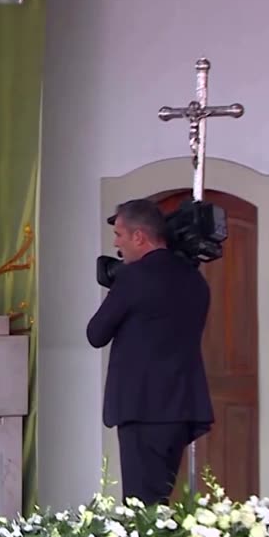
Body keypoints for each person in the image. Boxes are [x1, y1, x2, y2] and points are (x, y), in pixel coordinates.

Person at [87, 199, 214, 505]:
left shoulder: (134, 278)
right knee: (158, 498)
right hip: (181, 408)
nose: (116, 244)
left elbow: (96, 333)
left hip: (142, 407)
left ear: (139, 236)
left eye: (119, 235)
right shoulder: (194, 279)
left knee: (142, 508)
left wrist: (119, 287)